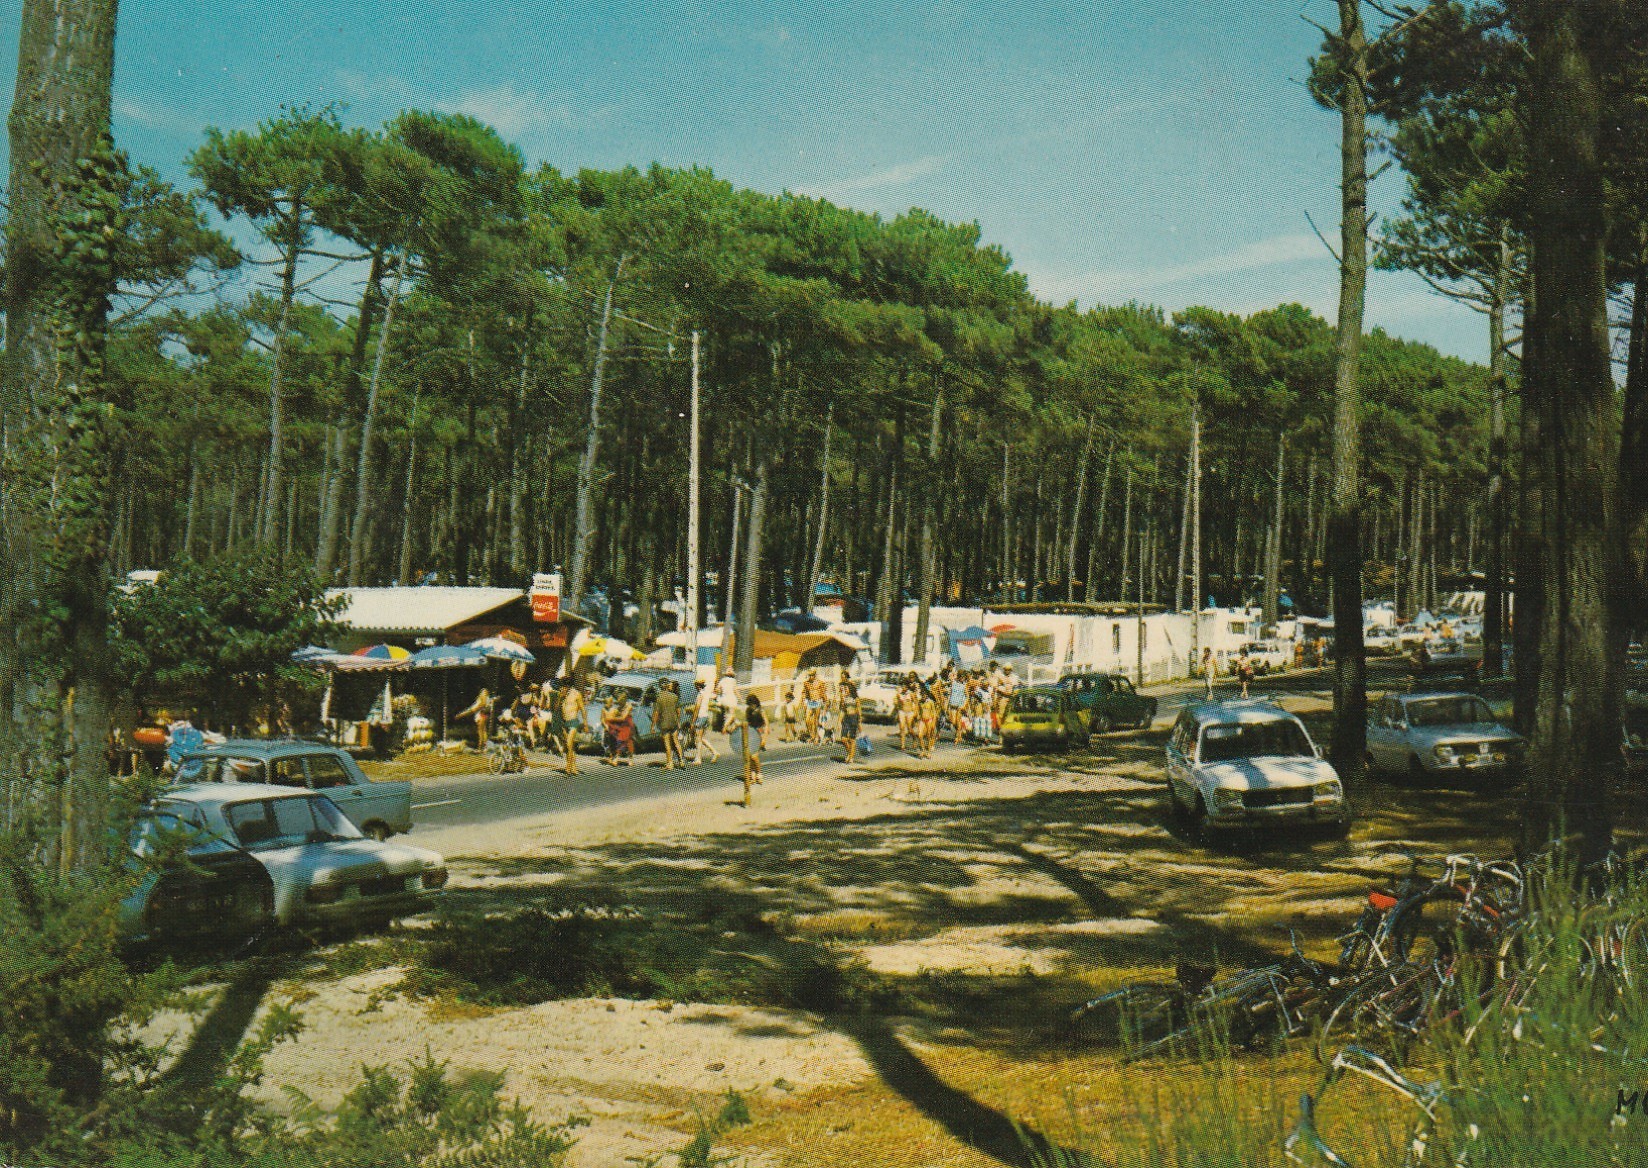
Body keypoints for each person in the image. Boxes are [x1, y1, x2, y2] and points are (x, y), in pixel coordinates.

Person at [654, 679, 683, 769]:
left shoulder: (659, 698)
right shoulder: (674, 696)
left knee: (667, 743)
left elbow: (656, 713)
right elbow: (678, 711)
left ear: (660, 686)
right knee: (676, 741)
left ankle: (670, 763)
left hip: (664, 723)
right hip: (673, 722)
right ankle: (681, 761)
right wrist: (678, 721)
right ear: (667, 686)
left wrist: (653, 725)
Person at [558, 680, 586, 775]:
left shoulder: (576, 694)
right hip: (564, 722)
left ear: (568, 686)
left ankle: (568, 767)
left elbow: (582, 709)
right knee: (569, 746)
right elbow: (556, 708)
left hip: (573, 722)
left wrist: (585, 724)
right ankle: (574, 768)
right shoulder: (562, 695)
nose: (562, 688)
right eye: (562, 687)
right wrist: (560, 698)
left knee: (569, 743)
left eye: (564, 686)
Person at [691, 679, 720, 764]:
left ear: (698, 686)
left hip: (700, 717)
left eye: (695, 686)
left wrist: (693, 721)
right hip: (706, 716)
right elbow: (715, 696)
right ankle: (714, 752)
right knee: (701, 738)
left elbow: (697, 708)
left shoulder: (700, 695)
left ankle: (698, 758)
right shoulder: (706, 693)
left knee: (698, 739)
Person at [839, 680, 863, 763]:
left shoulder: (855, 698)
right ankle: (850, 753)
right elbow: (842, 710)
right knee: (843, 739)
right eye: (844, 688)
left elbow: (859, 709)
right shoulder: (843, 698)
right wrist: (839, 721)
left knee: (852, 739)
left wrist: (859, 720)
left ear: (850, 688)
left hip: (853, 718)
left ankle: (851, 757)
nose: (845, 689)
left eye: (846, 688)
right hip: (846, 718)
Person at [802, 669, 827, 743]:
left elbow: (823, 693)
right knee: (807, 719)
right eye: (809, 675)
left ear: (815, 675)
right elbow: (805, 693)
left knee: (816, 720)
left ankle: (816, 737)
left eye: (812, 675)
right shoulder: (806, 683)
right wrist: (804, 702)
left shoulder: (820, 683)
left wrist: (826, 703)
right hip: (810, 702)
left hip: (817, 702)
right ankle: (811, 735)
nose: (810, 677)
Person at [947, 671, 968, 744]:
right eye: (961, 677)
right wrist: (947, 705)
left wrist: (964, 705)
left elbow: (967, 696)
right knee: (953, 721)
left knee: (958, 721)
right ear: (958, 677)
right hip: (952, 704)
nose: (962, 678)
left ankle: (957, 737)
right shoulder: (953, 683)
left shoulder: (964, 685)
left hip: (959, 705)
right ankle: (960, 731)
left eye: (964, 677)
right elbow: (950, 694)